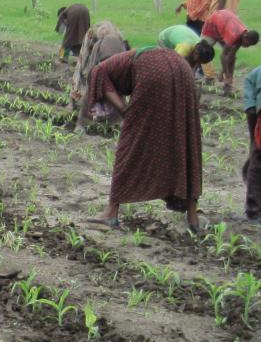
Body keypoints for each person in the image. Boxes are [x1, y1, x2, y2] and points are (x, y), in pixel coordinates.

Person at [87, 42, 214, 234]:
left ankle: (111, 212)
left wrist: (124, 111)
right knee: (184, 139)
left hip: (153, 72)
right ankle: (192, 217)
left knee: (131, 145)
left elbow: (105, 87)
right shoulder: (126, 60)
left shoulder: (100, 71)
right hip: (183, 69)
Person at [70, 21, 129, 129]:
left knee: (93, 94)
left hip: (106, 68)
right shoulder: (119, 41)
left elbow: (88, 69)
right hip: (117, 71)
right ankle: (117, 122)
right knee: (115, 95)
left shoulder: (102, 44)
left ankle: (83, 125)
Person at [200, 9, 261, 95]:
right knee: (203, 52)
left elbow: (231, 56)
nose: (247, 47)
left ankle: (227, 86)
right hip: (212, 25)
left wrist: (223, 72)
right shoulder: (234, 35)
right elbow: (223, 56)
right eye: (248, 44)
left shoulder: (242, 36)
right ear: (245, 37)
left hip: (223, 26)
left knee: (232, 58)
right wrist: (227, 74)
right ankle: (204, 77)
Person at [241, 63, 261, 224]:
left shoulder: (256, 73)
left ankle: (255, 211)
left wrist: (253, 144)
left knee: (258, 160)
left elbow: (250, 109)